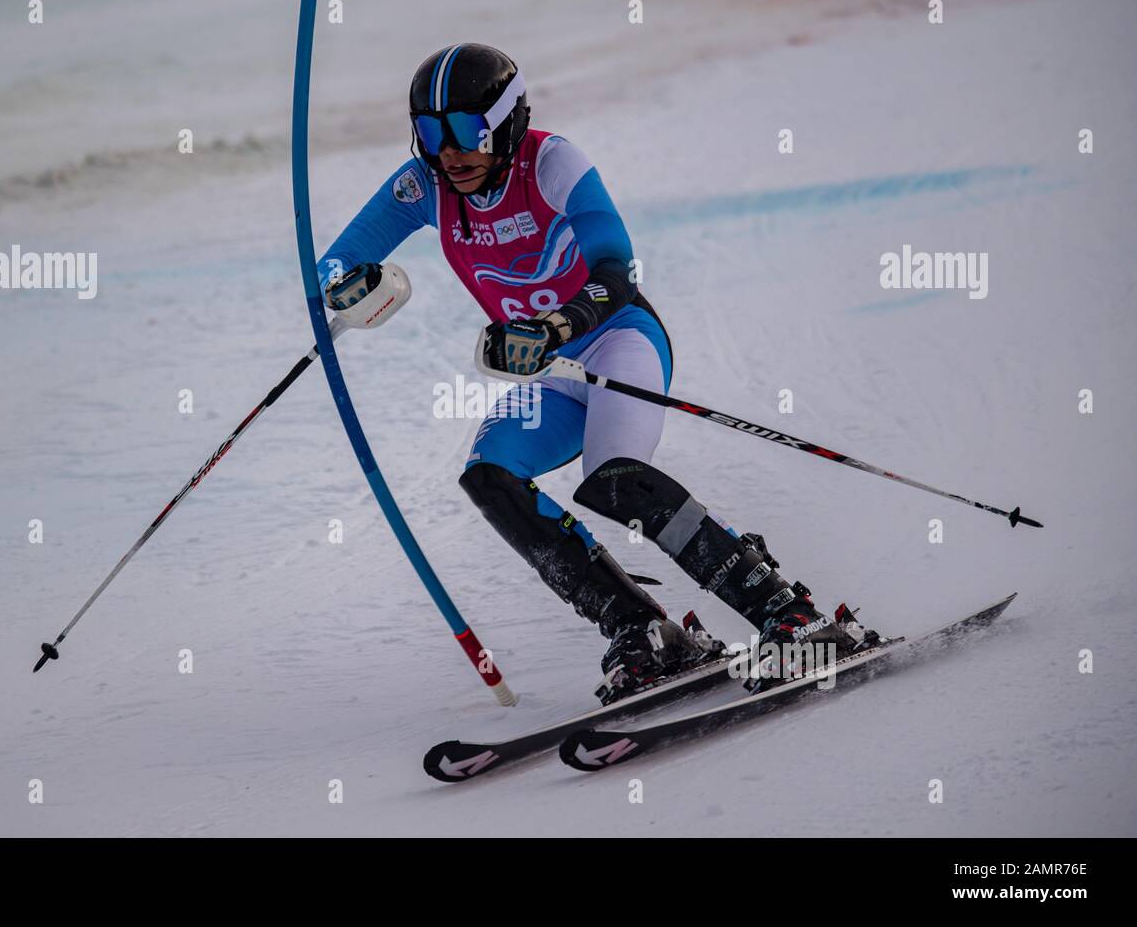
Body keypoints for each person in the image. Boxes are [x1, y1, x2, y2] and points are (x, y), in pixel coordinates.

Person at [317, 43, 864, 703]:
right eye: (430, 133)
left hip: (618, 343)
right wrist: (343, 286)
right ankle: (642, 630)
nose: (448, 151)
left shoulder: (551, 162)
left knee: (614, 480)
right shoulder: (425, 184)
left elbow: (617, 270)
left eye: (463, 130)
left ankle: (791, 618)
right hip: (554, 376)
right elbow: (335, 262)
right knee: (490, 476)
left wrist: (556, 328)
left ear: (507, 121)